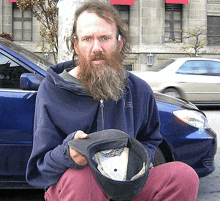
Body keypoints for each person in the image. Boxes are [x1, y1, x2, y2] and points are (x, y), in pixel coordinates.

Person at [26, 1, 199, 201]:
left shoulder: (139, 90)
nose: (96, 48)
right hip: (74, 187)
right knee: (84, 177)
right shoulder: (52, 90)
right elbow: (40, 168)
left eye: (104, 38)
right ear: (76, 45)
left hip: (124, 186)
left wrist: (134, 162)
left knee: (183, 176)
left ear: (120, 42)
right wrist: (68, 153)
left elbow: (151, 139)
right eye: (87, 39)